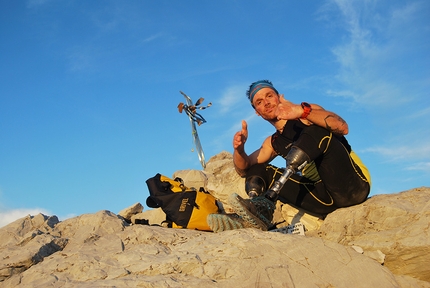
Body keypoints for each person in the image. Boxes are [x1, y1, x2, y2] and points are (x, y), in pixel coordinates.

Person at [207, 80, 371, 232]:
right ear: (257, 112)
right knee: (258, 168)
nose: (266, 102)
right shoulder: (273, 142)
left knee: (316, 130)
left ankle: (261, 207)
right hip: (322, 200)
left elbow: (342, 127)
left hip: (351, 188)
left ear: (278, 97)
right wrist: (240, 150)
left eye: (269, 96)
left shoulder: (306, 113)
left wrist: (301, 111)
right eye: (259, 102)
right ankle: (256, 213)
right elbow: (245, 169)